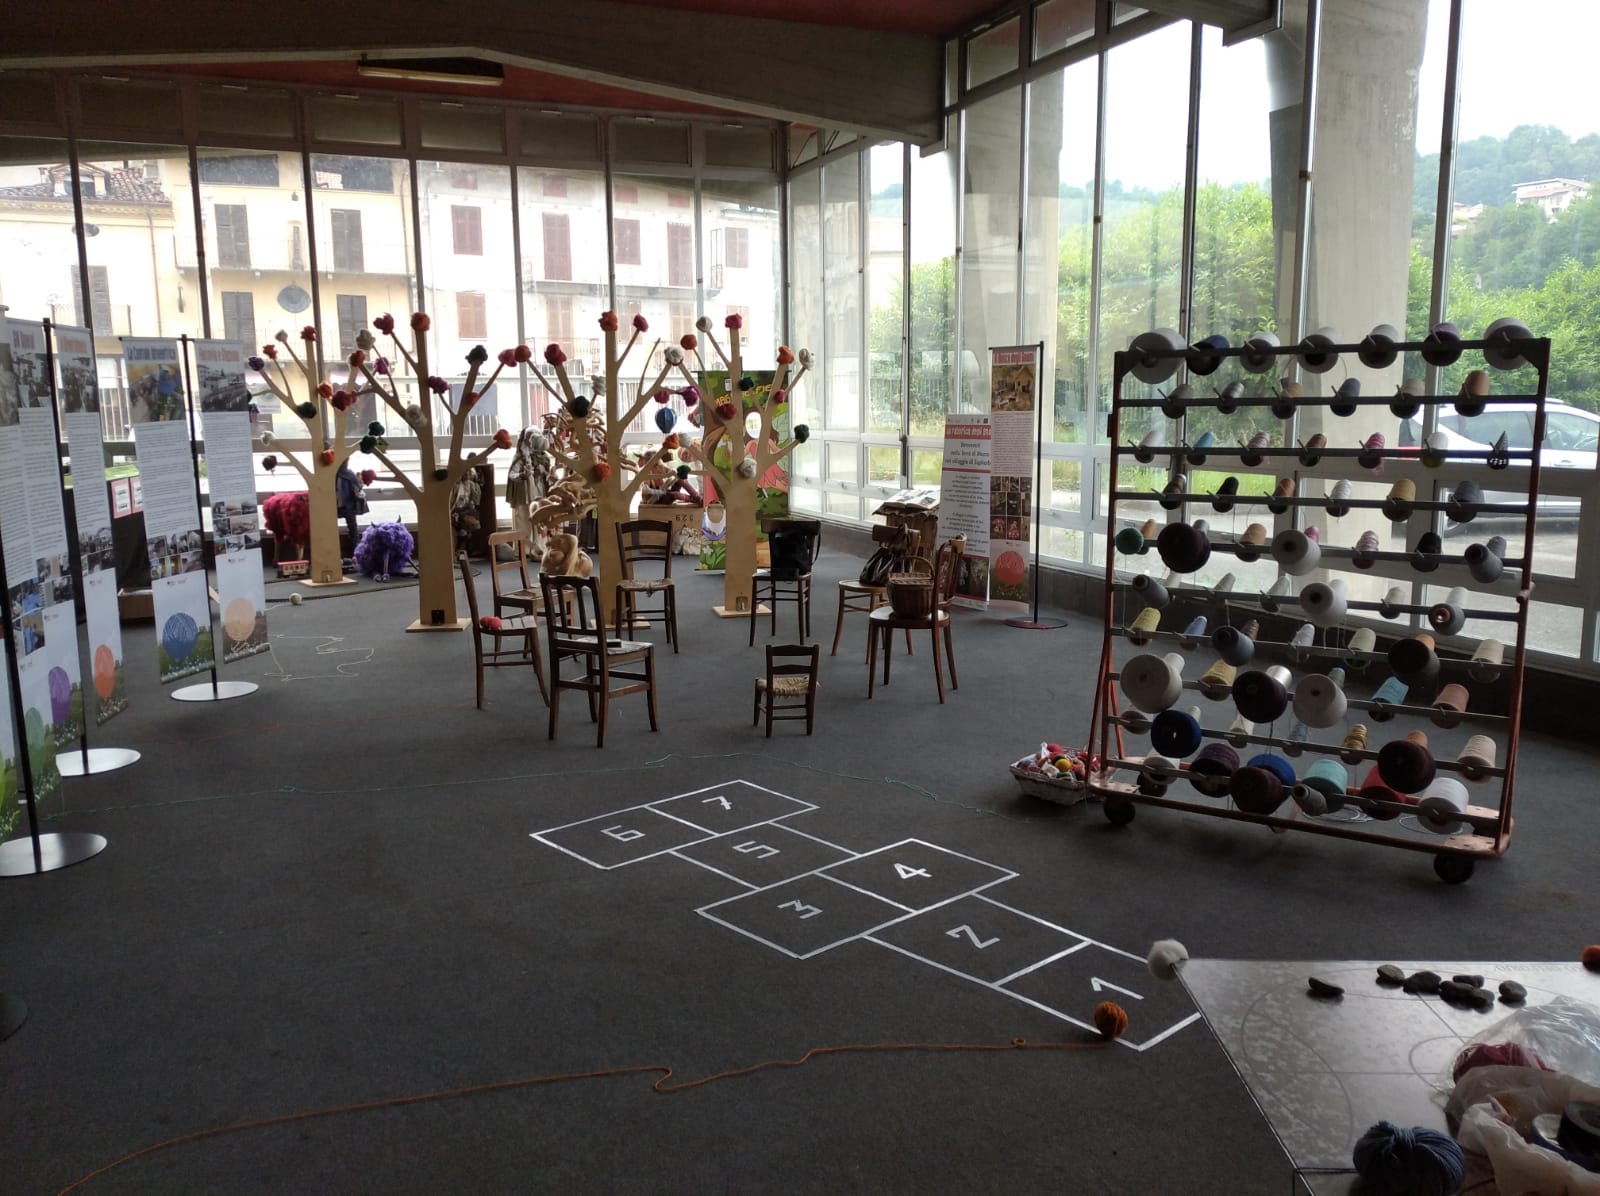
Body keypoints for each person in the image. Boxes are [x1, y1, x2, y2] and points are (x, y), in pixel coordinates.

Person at [335, 461, 368, 557]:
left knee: (353, 528)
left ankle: (356, 552)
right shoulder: (333, 474)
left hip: (348, 505)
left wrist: (359, 486)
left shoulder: (349, 474)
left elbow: (357, 488)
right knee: (333, 527)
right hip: (335, 505)